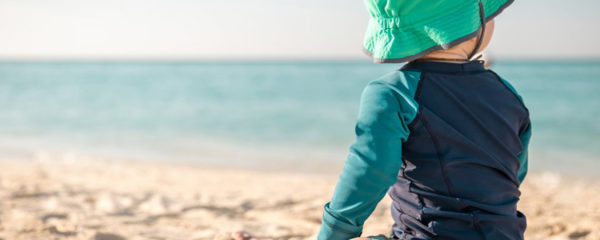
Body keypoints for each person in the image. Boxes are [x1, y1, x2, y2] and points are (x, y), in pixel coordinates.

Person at [318, 0, 531, 239]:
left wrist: (333, 232)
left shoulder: (393, 92)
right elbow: (513, 173)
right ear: (473, 25)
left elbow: (369, 171)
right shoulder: (508, 94)